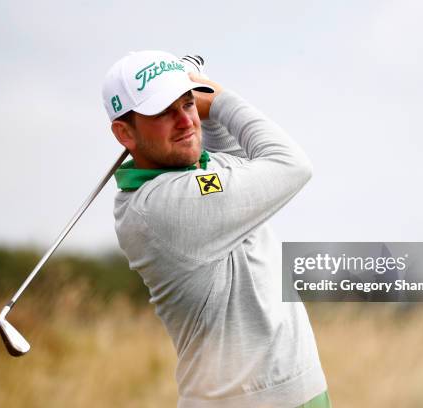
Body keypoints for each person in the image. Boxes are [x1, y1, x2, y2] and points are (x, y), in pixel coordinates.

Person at [102, 50, 331, 408]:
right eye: (163, 112)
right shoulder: (158, 209)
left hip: (301, 392)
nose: (184, 121)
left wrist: (204, 111)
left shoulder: (195, 172)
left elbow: (236, 159)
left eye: (187, 104)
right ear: (124, 132)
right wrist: (219, 99)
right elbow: (292, 165)